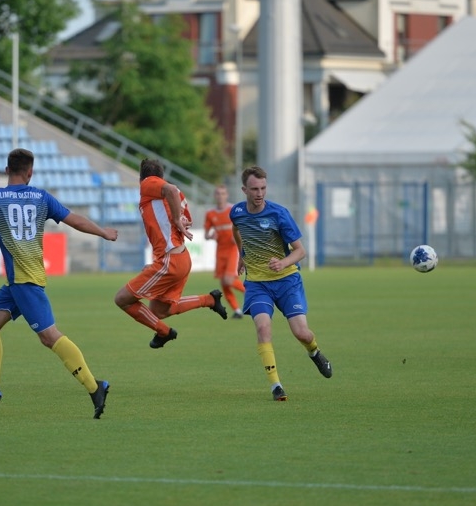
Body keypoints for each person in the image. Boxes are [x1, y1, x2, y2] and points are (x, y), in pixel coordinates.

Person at [0, 148, 118, 418]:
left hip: (24, 282)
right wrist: (103, 232)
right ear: (29, 172)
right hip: (19, 282)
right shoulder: (41, 197)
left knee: (49, 337)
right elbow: (76, 221)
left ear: (6, 170)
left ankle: (96, 387)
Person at [230, 166, 332, 401]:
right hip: (257, 284)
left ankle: (314, 351)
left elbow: (300, 251)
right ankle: (276, 385)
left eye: (263, 188)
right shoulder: (236, 212)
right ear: (244, 189)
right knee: (263, 327)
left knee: (302, 333)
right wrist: (240, 256)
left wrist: (283, 262)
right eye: (254, 189)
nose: (259, 193)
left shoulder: (279, 214)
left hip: (287, 281)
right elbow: (237, 231)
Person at [115, 158, 227, 348]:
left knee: (122, 299)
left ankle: (164, 332)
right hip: (180, 259)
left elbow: (171, 190)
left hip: (171, 260)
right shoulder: (173, 200)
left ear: (142, 178)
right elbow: (179, 213)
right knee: (159, 310)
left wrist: (175, 219)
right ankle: (208, 300)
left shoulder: (148, 184)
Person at [205, 184, 246, 318]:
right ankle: (237, 310)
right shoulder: (210, 214)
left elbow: (243, 226)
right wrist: (211, 236)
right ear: (215, 196)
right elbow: (206, 234)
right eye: (218, 193)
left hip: (233, 249)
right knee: (224, 283)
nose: (220, 196)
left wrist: (239, 237)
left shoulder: (233, 210)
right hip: (220, 251)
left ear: (227, 195)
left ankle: (252, 291)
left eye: (223, 193)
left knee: (228, 280)